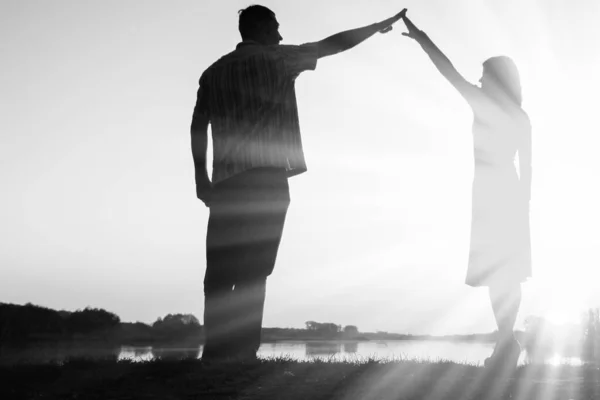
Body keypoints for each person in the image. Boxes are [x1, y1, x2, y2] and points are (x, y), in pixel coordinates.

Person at [191, 5, 407, 361]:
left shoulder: (213, 72)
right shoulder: (280, 60)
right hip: (267, 181)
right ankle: (243, 353)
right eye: (275, 28)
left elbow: (198, 127)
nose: (279, 35)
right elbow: (333, 44)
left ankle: (215, 352)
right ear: (260, 28)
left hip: (227, 184)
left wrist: (201, 178)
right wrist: (377, 26)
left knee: (218, 272)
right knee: (254, 272)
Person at [400, 14, 532, 369]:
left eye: (484, 76)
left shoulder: (484, 103)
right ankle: (507, 341)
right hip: (507, 195)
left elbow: (448, 71)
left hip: (493, 196)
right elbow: (529, 169)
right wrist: (525, 206)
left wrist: (421, 37)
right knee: (505, 274)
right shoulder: (520, 116)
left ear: (496, 80)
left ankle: (507, 341)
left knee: (500, 274)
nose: (478, 80)